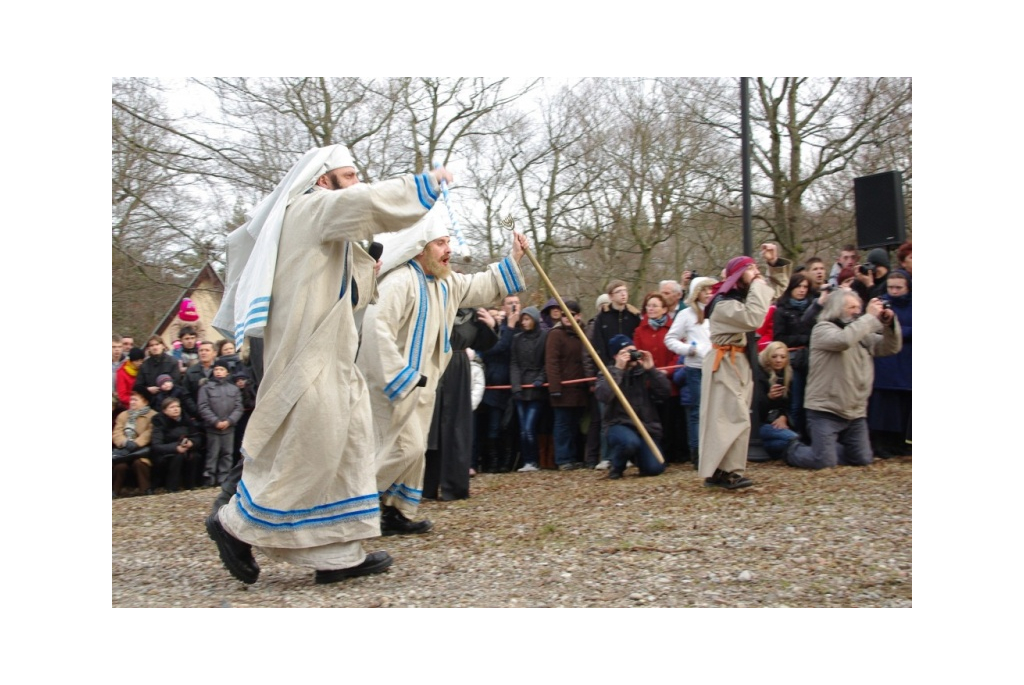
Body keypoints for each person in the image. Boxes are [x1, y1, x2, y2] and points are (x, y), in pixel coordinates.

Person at [208, 144, 453, 585]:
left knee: (349, 444)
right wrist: (424, 186)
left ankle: (337, 555)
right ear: (324, 180)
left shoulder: (324, 227)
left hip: (333, 352)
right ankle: (235, 526)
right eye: (348, 175)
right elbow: (366, 204)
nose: (356, 182)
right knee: (311, 450)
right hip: (308, 353)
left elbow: (352, 294)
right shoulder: (310, 207)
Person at [357, 205, 528, 535]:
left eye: (448, 242)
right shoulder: (400, 282)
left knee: (413, 451)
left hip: (423, 386)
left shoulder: (446, 283)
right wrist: (398, 376)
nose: (449, 250)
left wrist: (515, 257)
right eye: (440, 243)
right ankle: (351, 507)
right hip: (392, 386)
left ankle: (395, 512)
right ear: (421, 248)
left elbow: (480, 284)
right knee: (404, 449)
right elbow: (376, 328)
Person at [699, 243, 790, 489]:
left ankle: (720, 471)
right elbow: (754, 317)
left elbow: (772, 293)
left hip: (739, 361)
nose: (756, 272)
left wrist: (773, 264)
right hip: (725, 362)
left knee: (730, 418)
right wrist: (760, 283)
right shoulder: (721, 304)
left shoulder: (741, 296)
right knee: (731, 418)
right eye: (751, 269)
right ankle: (728, 471)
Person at [799, 290, 902, 469]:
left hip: (855, 411)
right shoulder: (822, 329)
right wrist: (870, 317)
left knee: (862, 459)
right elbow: (844, 340)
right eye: (852, 307)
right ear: (837, 309)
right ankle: (791, 447)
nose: (857, 311)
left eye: (859, 307)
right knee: (823, 463)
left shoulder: (861, 331)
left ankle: (826, 449)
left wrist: (889, 324)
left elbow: (890, 348)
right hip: (825, 408)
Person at [422, 307, 498, 500]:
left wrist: (492, 325)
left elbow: (485, 343)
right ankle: (425, 486)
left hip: (458, 368)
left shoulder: (471, 314)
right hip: (433, 364)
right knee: (430, 426)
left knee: (457, 427)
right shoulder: (432, 305)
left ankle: (454, 485)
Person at [595, 335, 671, 479]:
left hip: (645, 427)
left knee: (655, 468)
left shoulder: (643, 372)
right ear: (616, 356)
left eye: (633, 351)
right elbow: (603, 396)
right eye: (625, 352)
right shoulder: (608, 373)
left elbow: (664, 393)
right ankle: (617, 467)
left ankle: (639, 457)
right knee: (629, 442)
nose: (631, 356)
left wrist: (652, 370)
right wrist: (619, 370)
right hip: (618, 425)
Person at [665, 276, 717, 468]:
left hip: (717, 367)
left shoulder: (717, 311)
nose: (709, 294)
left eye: (711, 290)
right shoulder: (686, 314)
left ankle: (714, 451)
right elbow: (670, 339)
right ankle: (697, 454)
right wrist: (689, 350)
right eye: (705, 290)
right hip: (695, 368)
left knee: (714, 411)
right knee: (697, 412)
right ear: (697, 293)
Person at [633, 292, 684, 462]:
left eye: (655, 305)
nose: (651, 309)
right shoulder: (640, 330)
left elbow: (678, 352)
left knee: (671, 419)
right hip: (648, 382)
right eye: (649, 305)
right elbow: (638, 353)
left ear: (664, 309)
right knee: (654, 419)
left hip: (669, 382)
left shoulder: (673, 328)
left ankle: (673, 453)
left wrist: (667, 370)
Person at [868, 269, 912, 457]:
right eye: (891, 287)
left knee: (904, 405)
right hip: (886, 359)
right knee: (884, 405)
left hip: (908, 360)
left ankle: (902, 442)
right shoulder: (879, 303)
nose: (894, 291)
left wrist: (898, 330)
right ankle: (881, 442)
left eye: (898, 288)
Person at [477, 294, 521, 473]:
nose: (514, 306)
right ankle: (493, 463)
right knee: (494, 426)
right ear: (503, 307)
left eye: (517, 303)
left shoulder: (523, 328)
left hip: (514, 386)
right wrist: (507, 326)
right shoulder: (498, 329)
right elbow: (493, 349)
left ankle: (509, 462)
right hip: (494, 386)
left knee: (510, 427)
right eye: (510, 303)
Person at [772, 273, 817, 436]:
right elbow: (779, 337)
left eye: (805, 287)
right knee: (796, 401)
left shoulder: (814, 307)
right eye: (799, 286)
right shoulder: (782, 310)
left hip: (812, 358)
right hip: (793, 360)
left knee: (811, 401)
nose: (802, 290)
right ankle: (796, 436)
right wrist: (803, 339)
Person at [545, 300, 587, 471]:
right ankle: (563, 458)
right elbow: (551, 362)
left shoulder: (583, 333)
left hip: (580, 387)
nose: (567, 318)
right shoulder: (555, 335)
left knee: (576, 424)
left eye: (572, 314)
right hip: (562, 388)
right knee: (562, 424)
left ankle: (575, 456)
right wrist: (555, 387)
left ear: (578, 316)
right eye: (564, 314)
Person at [509, 306, 548, 472]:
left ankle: (533, 460)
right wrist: (516, 385)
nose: (524, 323)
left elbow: (547, 361)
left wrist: (540, 379)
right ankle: (527, 460)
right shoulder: (517, 339)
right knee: (523, 429)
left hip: (536, 389)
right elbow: (514, 363)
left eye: (527, 319)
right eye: (522, 319)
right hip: (521, 389)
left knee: (529, 428)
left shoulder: (545, 337)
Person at [198, 361, 243, 487]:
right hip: (212, 427)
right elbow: (203, 407)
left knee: (227, 453)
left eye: (221, 369)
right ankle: (209, 478)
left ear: (227, 372)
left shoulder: (234, 389)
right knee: (212, 453)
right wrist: (215, 421)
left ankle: (223, 478)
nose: (218, 372)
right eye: (216, 369)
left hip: (229, 428)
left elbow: (239, 407)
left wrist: (229, 421)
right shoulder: (206, 388)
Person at [150, 397, 203, 493]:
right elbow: (157, 445)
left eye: (178, 406)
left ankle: (191, 486)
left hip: (186, 450)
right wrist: (176, 448)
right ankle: (171, 488)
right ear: (165, 410)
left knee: (195, 456)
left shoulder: (186, 420)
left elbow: (197, 437)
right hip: (166, 454)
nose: (176, 409)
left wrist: (192, 442)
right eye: (172, 407)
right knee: (178, 457)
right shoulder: (159, 422)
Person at [113, 389, 156, 497]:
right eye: (131, 399)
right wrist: (124, 442)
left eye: (135, 400)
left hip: (141, 450)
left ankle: (145, 490)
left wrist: (136, 443)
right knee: (120, 465)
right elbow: (117, 432)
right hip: (123, 449)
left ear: (145, 402)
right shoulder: (123, 415)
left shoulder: (153, 415)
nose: (132, 402)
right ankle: (115, 491)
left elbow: (149, 432)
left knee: (140, 463)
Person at [115, 347, 146, 412]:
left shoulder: (143, 369)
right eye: (137, 361)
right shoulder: (121, 372)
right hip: (129, 406)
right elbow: (122, 395)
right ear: (131, 361)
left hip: (144, 404)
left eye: (141, 360)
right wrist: (136, 400)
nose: (140, 363)